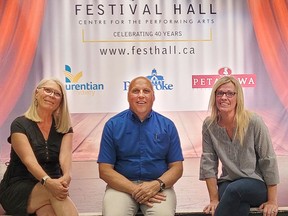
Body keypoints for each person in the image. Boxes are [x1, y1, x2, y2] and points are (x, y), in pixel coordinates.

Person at [97, 76, 184, 216]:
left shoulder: (168, 126)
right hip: (121, 187)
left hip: (158, 188)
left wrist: (156, 185)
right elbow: (105, 170)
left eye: (146, 91)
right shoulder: (112, 125)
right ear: (128, 96)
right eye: (136, 91)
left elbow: (177, 167)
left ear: (153, 97)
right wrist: (135, 189)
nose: (141, 95)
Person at [199, 76, 280, 216]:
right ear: (215, 97)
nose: (224, 97)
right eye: (220, 93)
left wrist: (272, 201)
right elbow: (208, 162)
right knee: (235, 201)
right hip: (229, 181)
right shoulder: (209, 125)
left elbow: (268, 160)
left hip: (256, 183)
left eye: (230, 93)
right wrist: (213, 200)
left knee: (233, 191)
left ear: (238, 98)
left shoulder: (254, 122)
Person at [0, 78, 79, 216]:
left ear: (61, 101)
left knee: (49, 210)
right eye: (47, 90)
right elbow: (29, 162)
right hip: (19, 187)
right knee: (53, 194)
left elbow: (65, 156)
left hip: (54, 185)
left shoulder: (64, 127)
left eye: (57, 93)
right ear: (37, 93)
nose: (51, 95)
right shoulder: (19, 124)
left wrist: (67, 176)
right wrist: (47, 182)